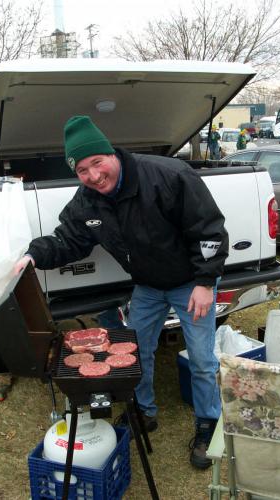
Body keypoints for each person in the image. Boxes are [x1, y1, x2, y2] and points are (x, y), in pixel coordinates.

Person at [14, 115, 229, 469]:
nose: (93, 176)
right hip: (147, 285)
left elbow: (209, 231)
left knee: (203, 361)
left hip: (191, 282)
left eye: (97, 163)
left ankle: (208, 426)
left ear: (110, 153)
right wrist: (33, 255)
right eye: (82, 170)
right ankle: (144, 412)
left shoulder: (169, 176)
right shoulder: (87, 201)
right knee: (134, 353)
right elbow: (69, 240)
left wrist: (206, 283)